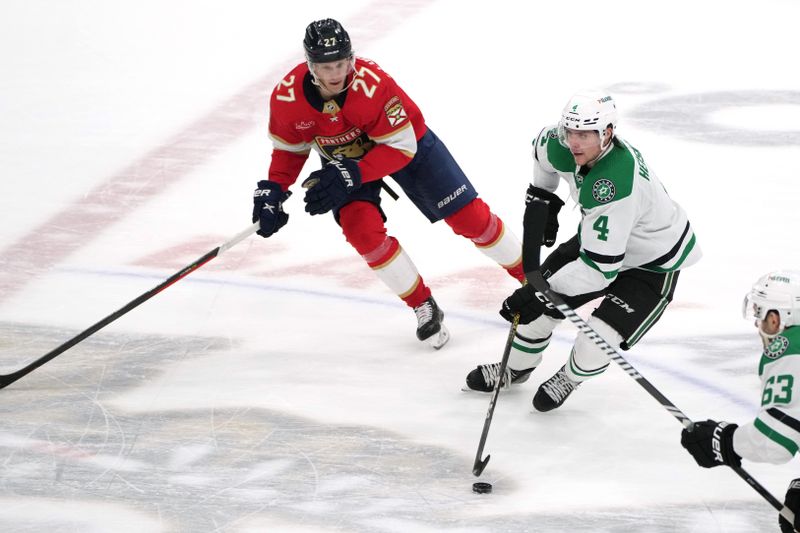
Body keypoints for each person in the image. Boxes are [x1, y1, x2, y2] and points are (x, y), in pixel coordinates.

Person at [251, 18, 524, 349]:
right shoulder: (286, 97)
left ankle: (532, 280)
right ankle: (423, 304)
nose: (335, 73)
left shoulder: (373, 85)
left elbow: (402, 149)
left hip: (404, 145)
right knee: (360, 231)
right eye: (326, 67)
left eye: (341, 63)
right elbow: (289, 151)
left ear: (351, 58)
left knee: (470, 218)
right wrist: (274, 190)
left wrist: (351, 172)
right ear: (310, 66)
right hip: (342, 161)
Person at [464, 90, 702, 411]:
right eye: (571, 131)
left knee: (595, 341)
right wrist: (543, 194)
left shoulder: (615, 182)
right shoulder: (557, 142)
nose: (574, 142)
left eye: (585, 134)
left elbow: (598, 273)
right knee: (536, 315)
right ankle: (515, 369)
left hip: (652, 262)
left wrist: (538, 293)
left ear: (607, 134)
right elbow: (542, 155)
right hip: (599, 243)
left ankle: (570, 377)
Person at [681, 271, 800, 533]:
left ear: (775, 318)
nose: (757, 322)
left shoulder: (791, 347)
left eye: (760, 313)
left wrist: (725, 441)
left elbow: (776, 439)